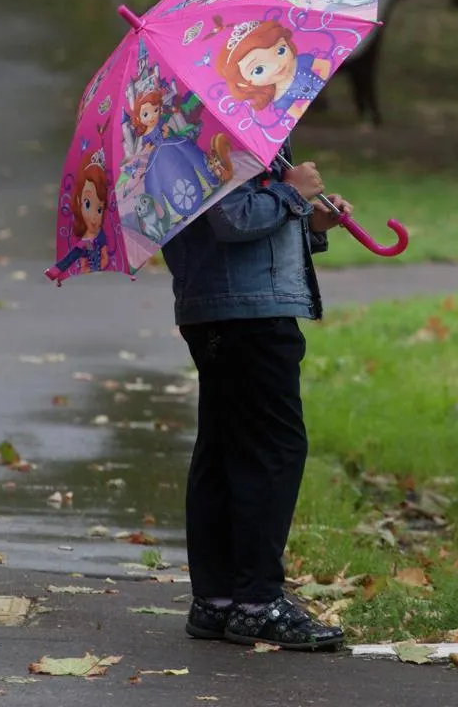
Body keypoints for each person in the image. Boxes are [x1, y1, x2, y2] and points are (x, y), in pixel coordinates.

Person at [165, 143, 351, 651]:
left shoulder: (199, 129)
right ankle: (257, 603)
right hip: (247, 315)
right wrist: (291, 192)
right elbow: (230, 218)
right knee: (274, 449)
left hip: (226, 308)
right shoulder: (216, 132)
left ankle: (218, 599)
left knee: (224, 448)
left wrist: (310, 223)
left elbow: (237, 235)